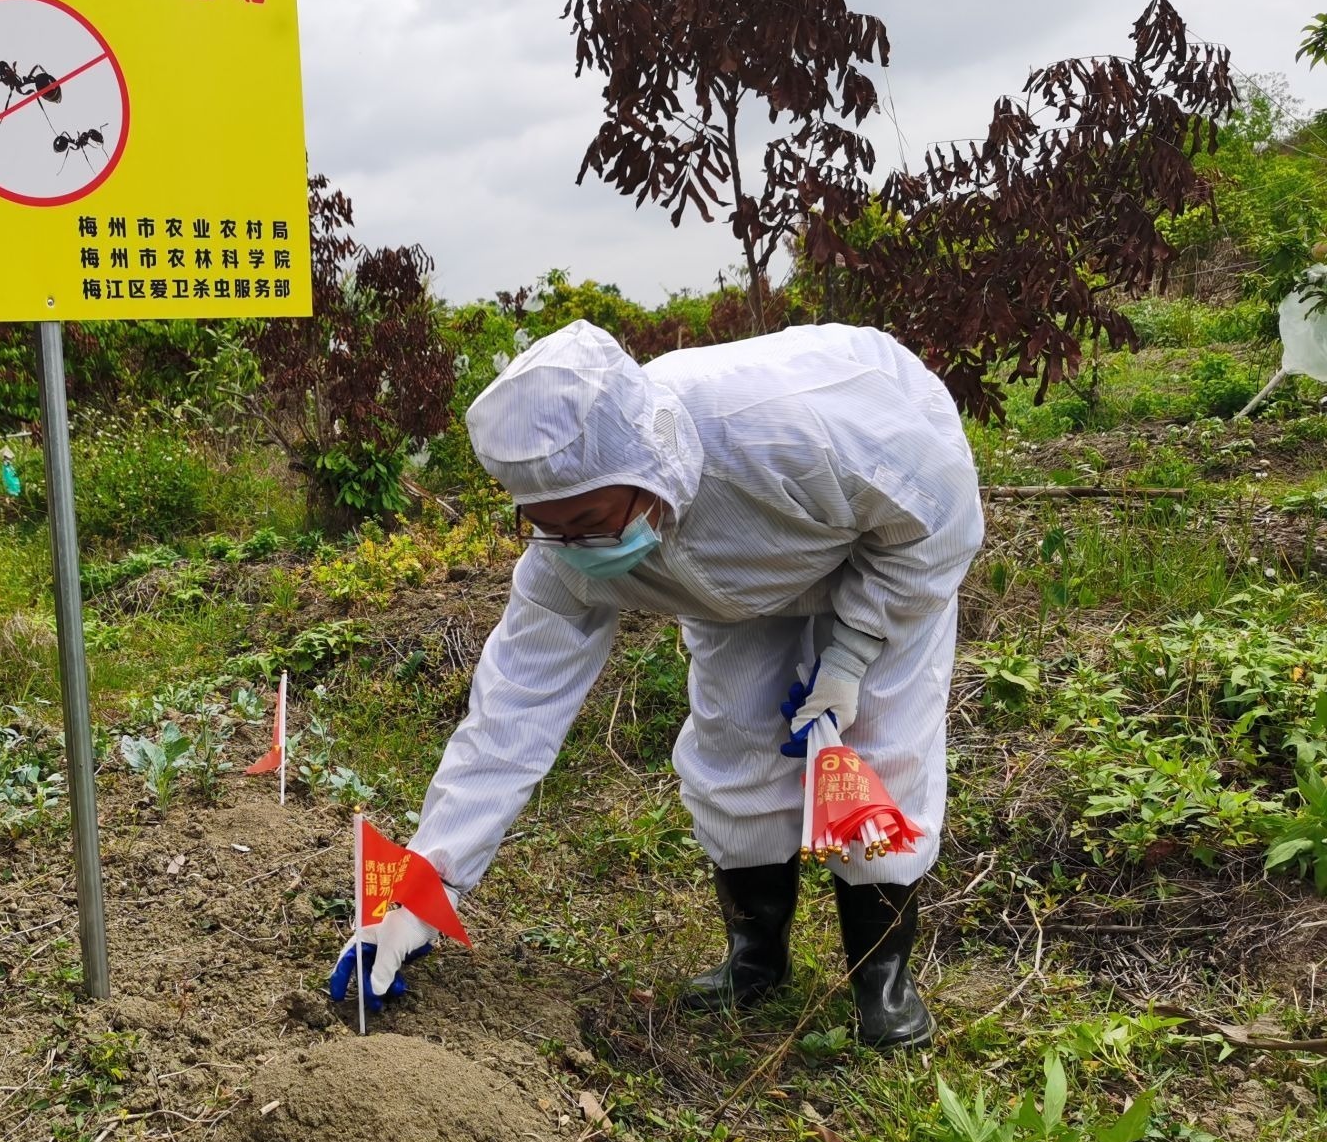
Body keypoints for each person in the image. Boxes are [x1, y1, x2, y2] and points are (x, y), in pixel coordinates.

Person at [330, 319, 984, 1049]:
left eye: (586, 519)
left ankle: (883, 979)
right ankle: (756, 959)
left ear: (645, 465)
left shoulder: (783, 435)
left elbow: (939, 515)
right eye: (548, 527)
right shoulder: (566, 556)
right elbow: (510, 715)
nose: (575, 545)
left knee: (876, 753)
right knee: (734, 741)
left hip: (875, 552)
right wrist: (423, 888)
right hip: (729, 586)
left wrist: (852, 654)